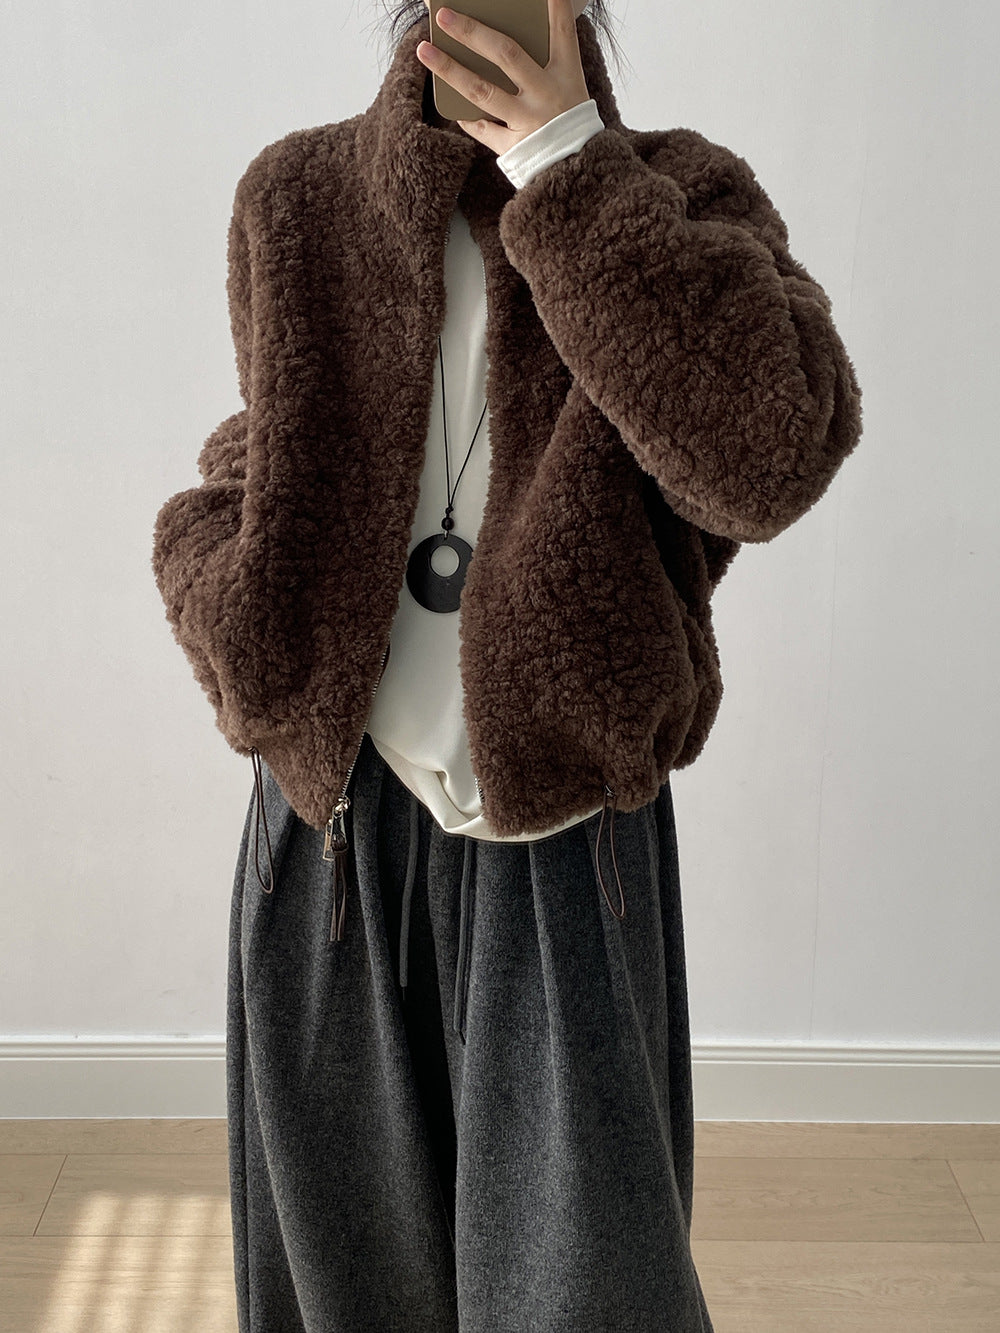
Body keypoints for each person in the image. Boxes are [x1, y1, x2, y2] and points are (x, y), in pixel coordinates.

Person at [151, 0, 863, 1327]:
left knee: (584, 1295)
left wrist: (567, 166)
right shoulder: (298, 198)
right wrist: (225, 605)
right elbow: (262, 452)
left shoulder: (683, 195)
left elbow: (766, 460)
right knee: (342, 1292)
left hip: (567, 845)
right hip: (329, 839)